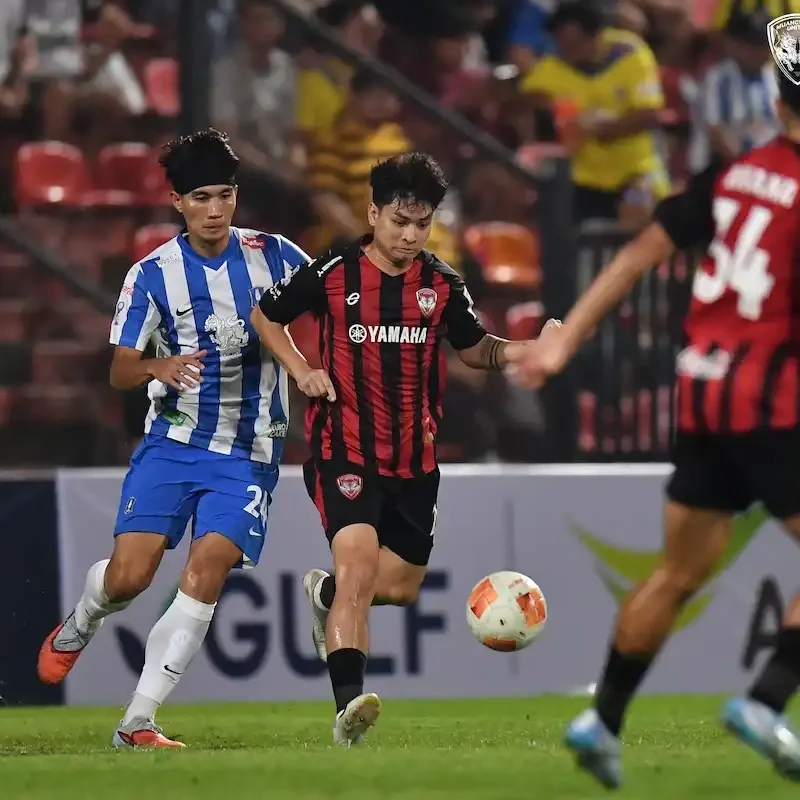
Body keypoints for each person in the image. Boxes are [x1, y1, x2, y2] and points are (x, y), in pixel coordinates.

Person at [509, 70, 800, 788]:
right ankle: (767, 701)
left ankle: (601, 719)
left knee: (677, 571)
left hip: (700, 394)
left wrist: (561, 343)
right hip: (771, 400)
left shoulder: (733, 175)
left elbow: (639, 254)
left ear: (777, 100)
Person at [251, 152, 544, 745]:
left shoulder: (441, 282)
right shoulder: (333, 269)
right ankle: (348, 710)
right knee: (358, 567)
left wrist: (526, 348)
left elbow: (472, 348)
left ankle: (326, 594)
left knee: (400, 588)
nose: (409, 236)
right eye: (398, 222)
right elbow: (266, 315)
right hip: (345, 448)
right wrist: (303, 370)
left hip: (415, 459)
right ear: (373, 213)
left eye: (421, 224)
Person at [36, 128, 310, 749]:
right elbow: (118, 370)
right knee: (129, 579)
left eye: (225, 196)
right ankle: (82, 620)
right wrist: (156, 366)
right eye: (201, 198)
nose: (215, 210)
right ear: (178, 204)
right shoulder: (151, 275)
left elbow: (334, 301)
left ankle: (137, 721)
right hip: (173, 445)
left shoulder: (277, 256)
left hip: (249, 452)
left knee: (208, 566)